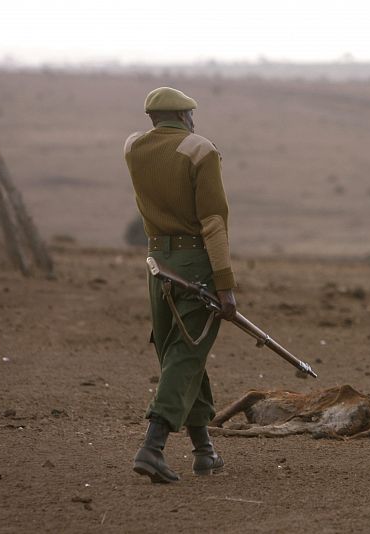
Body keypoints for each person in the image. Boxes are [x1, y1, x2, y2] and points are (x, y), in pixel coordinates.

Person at [124, 86, 237, 483]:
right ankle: (152, 446)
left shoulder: (133, 148)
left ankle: (204, 450)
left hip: (158, 264)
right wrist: (224, 284)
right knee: (187, 354)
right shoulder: (200, 150)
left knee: (181, 353)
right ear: (186, 116)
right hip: (195, 265)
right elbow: (213, 223)